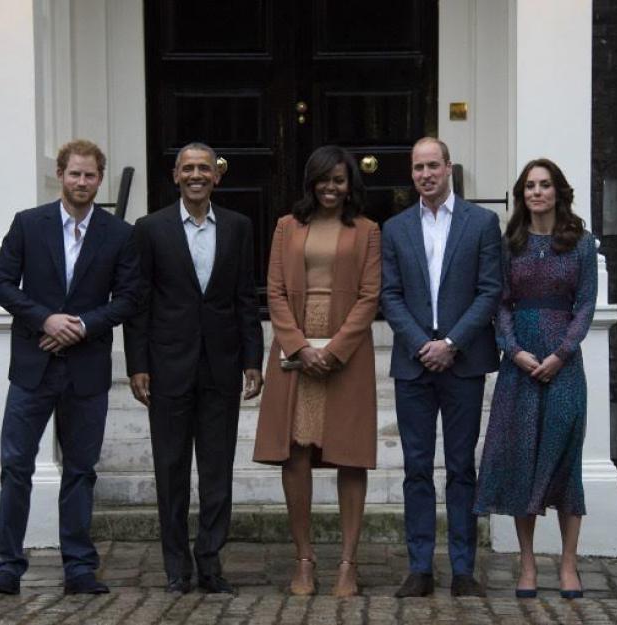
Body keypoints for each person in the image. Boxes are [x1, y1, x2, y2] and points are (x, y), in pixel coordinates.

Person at [0, 139, 139, 595]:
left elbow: (130, 298)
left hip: (85, 369)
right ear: (60, 174)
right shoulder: (28, 224)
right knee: (15, 466)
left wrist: (83, 326)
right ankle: (8, 567)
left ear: (100, 178)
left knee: (80, 470)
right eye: (75, 174)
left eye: (91, 175)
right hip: (33, 367)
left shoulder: (119, 234)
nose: (83, 183)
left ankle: (78, 567)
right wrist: (44, 319)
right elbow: (1, 283)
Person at [124, 142, 264, 595]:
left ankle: (210, 561)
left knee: (217, 469)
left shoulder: (239, 227)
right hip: (167, 367)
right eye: (188, 168)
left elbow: (246, 297)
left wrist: (252, 360)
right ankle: (175, 567)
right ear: (175, 175)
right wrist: (137, 364)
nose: (196, 175)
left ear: (216, 176)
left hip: (221, 366)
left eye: (204, 168)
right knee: (170, 469)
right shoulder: (150, 229)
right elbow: (139, 302)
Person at [253, 146, 381, 598]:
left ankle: (348, 563)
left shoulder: (367, 231)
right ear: (311, 183)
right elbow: (274, 291)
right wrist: (300, 346)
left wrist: (337, 349)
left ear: (351, 185)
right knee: (297, 451)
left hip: (346, 352)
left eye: (340, 180)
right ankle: (304, 560)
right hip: (297, 350)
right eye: (323, 180)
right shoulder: (287, 227)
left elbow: (370, 296)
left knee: (349, 454)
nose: (331, 188)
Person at [380, 137, 501, 598]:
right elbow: (389, 295)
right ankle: (419, 566)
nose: (425, 174)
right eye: (417, 168)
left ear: (449, 167)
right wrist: (422, 343)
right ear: (411, 174)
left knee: (460, 467)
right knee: (415, 468)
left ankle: (464, 568)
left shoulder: (482, 223)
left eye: (433, 165)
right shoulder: (394, 228)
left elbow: (489, 290)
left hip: (463, 362)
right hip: (414, 366)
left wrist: (450, 342)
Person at [474, 158, 597, 600]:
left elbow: (585, 306)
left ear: (558, 191)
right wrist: (515, 350)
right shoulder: (511, 244)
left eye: (545, 185)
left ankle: (568, 564)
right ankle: (527, 564)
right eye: (530, 185)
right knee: (521, 458)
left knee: (566, 462)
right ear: (522, 193)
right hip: (520, 365)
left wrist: (561, 354)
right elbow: (500, 303)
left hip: (564, 368)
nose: (537, 192)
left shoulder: (581, 244)